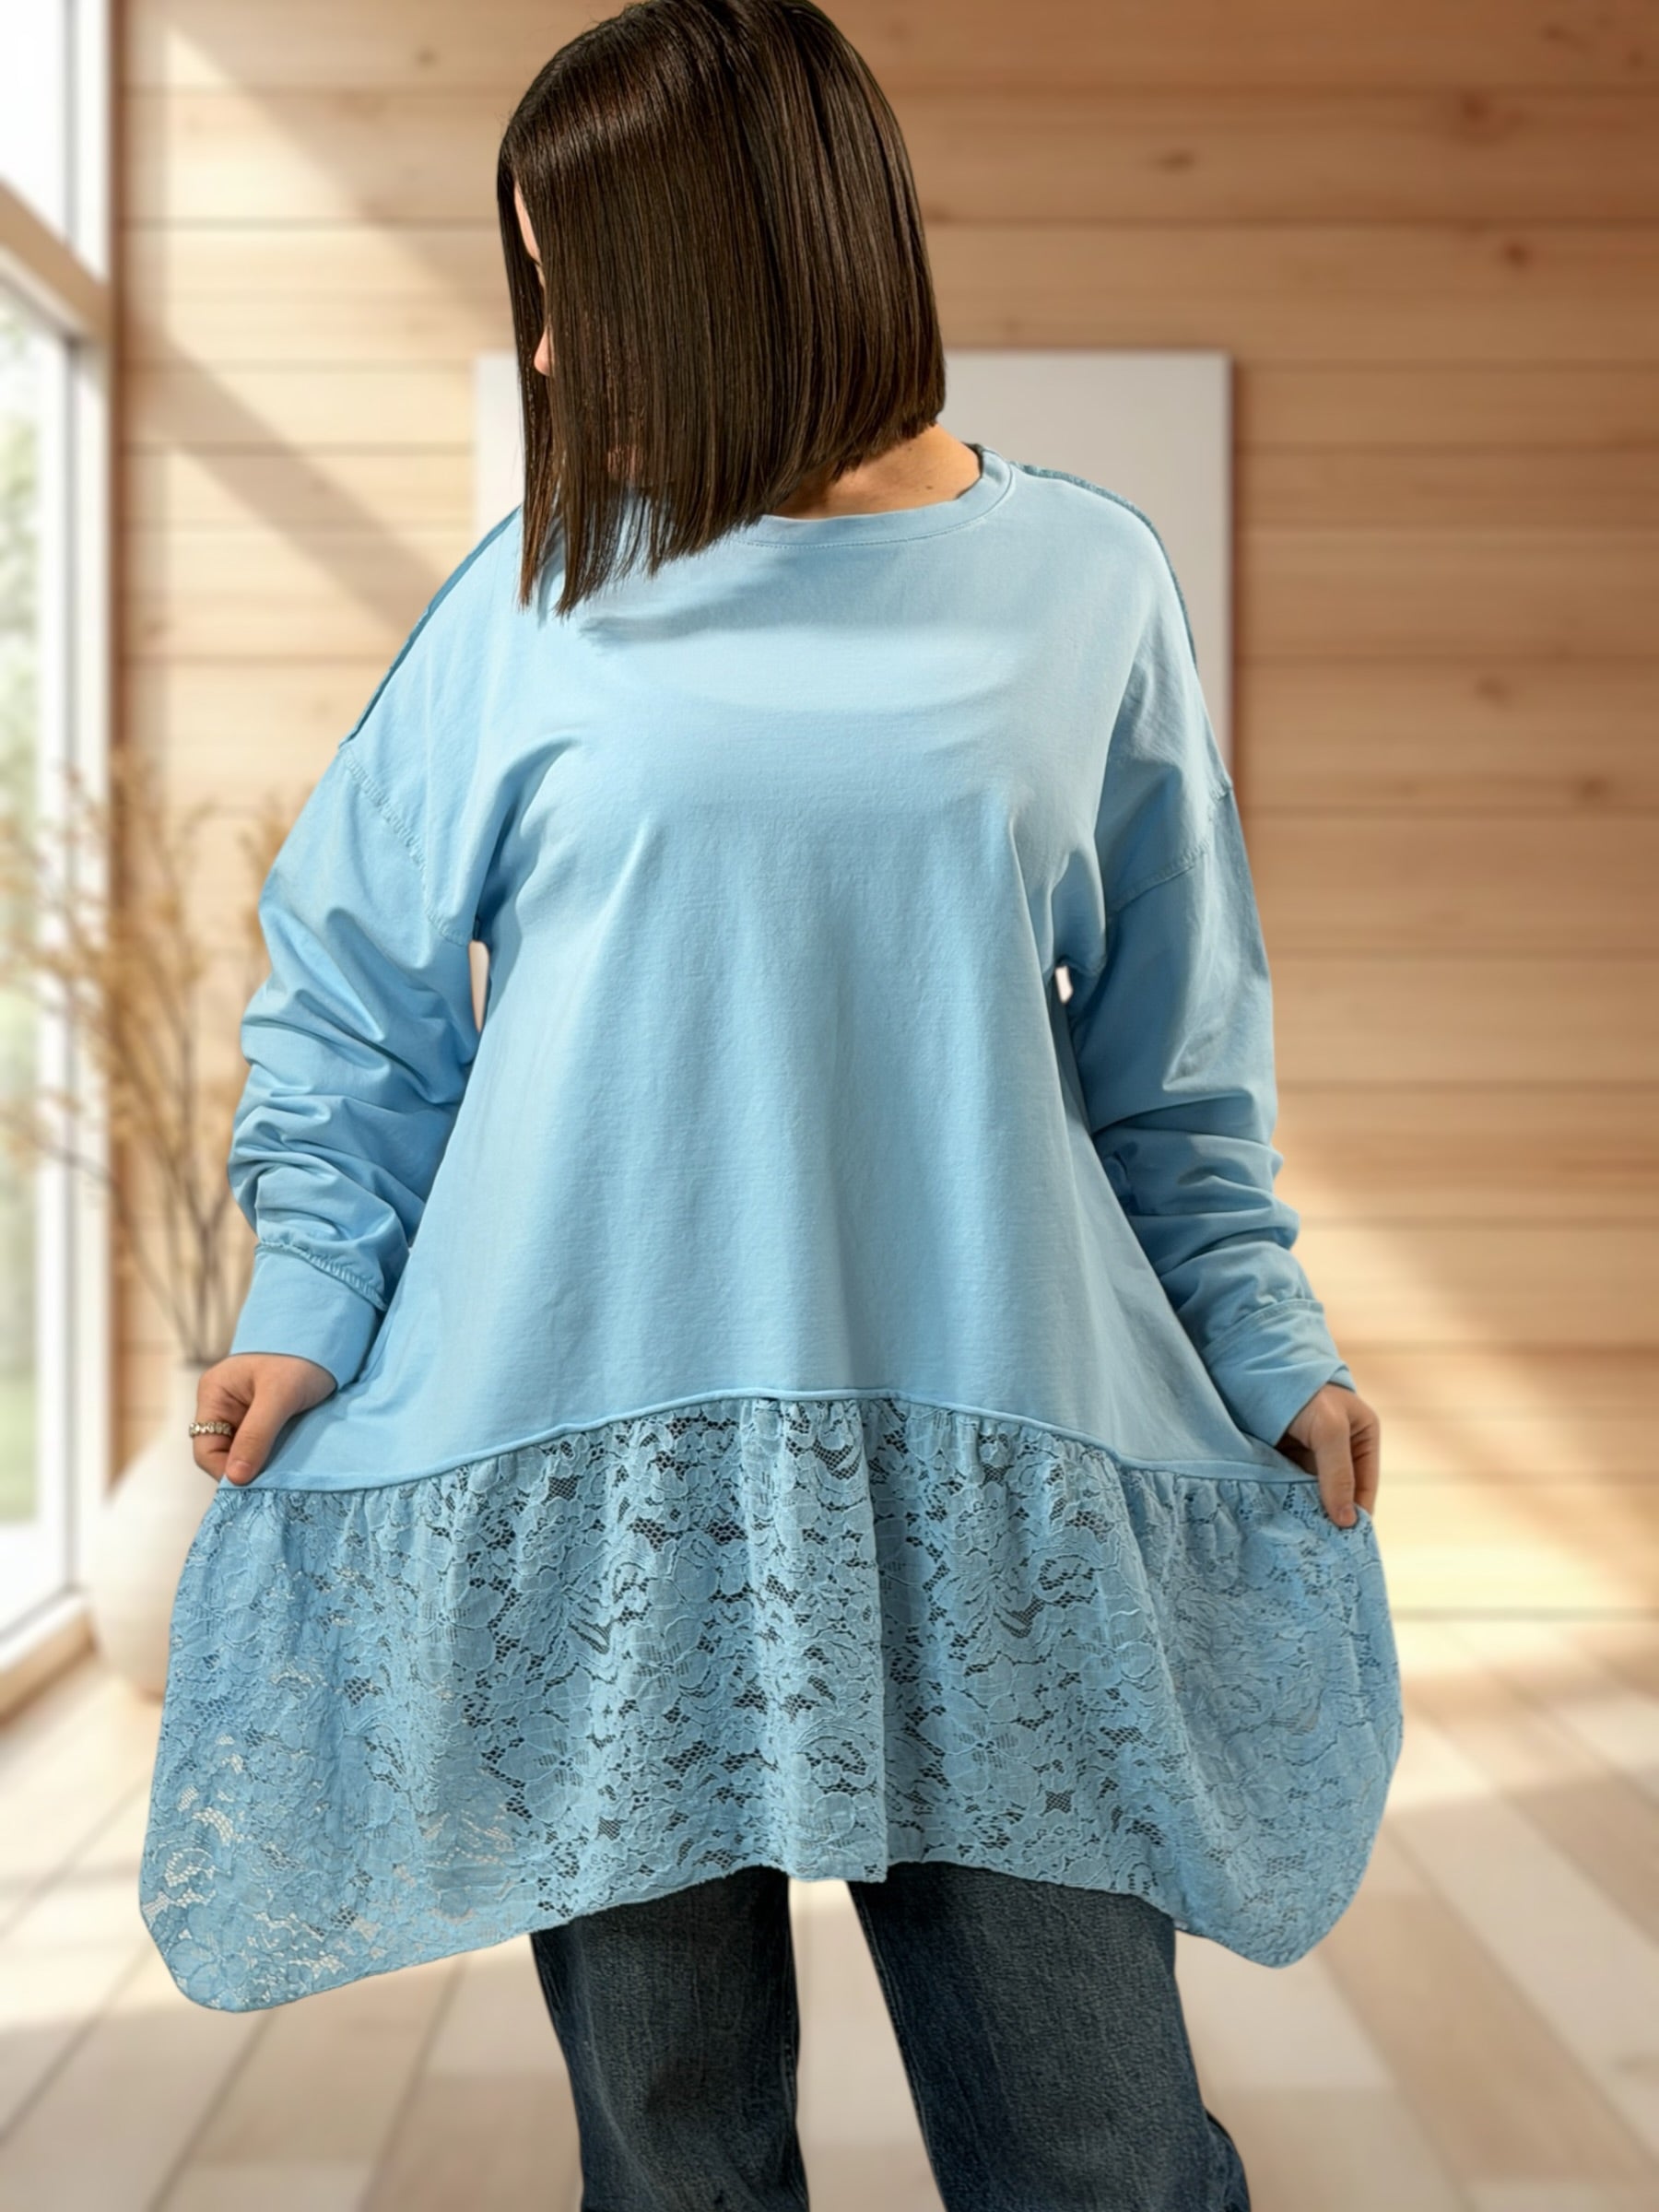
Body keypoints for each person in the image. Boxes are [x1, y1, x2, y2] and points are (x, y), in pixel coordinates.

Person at [139, 1, 1403, 2204]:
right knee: (676, 2164)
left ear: (744, 264)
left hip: (992, 1458)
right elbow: (348, 1004)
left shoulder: (1086, 584)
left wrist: (1267, 1338)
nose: (551, 353)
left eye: (580, 289)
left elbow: (1175, 1061)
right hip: (603, 1477)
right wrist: (311, 1303)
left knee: (1103, 2156)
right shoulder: (530, 600)